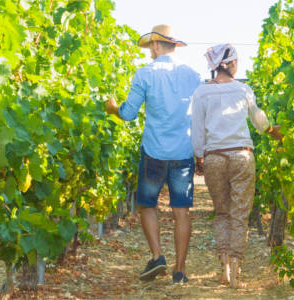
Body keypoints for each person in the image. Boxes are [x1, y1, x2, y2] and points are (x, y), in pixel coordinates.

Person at [106, 24, 202, 284]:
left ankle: (158, 256)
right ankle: (180, 271)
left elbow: (128, 114)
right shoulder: (193, 75)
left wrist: (113, 108)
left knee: (147, 205)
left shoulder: (144, 74)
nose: (149, 51)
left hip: (154, 152)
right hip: (183, 152)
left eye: (150, 46)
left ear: (157, 45)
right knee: (182, 211)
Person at [190, 44, 282, 288]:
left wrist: (199, 157)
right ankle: (236, 275)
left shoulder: (201, 93)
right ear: (229, 64)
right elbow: (258, 119)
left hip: (215, 158)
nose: (238, 65)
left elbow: (197, 130)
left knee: (222, 213)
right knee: (240, 216)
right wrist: (271, 131)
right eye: (236, 62)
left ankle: (224, 270)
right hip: (242, 156)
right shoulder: (243, 89)